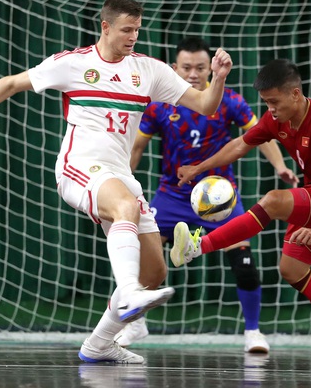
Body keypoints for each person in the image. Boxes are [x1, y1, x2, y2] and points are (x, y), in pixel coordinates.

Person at [0, 0, 233, 364]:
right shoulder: (72, 63)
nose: (133, 36)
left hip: (120, 174)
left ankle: (99, 344)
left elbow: (205, 105)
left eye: (138, 29)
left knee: (153, 273)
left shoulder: (150, 70)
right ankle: (127, 293)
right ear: (105, 27)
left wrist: (218, 78)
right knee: (125, 222)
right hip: (80, 166)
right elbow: (11, 83)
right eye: (126, 29)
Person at [170, 59, 311, 369]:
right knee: (291, 270)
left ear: (295, 94)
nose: (270, 109)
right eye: (266, 102)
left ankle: (198, 247)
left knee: (273, 200)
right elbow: (240, 144)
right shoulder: (275, 120)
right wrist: (198, 168)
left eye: (274, 101)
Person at [114, 37, 298, 353]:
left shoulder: (229, 101)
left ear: (210, 69)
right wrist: (122, 182)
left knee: (243, 261)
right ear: (174, 69)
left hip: (220, 197)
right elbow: (138, 146)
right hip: (172, 195)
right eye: (186, 67)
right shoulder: (160, 105)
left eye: (201, 67)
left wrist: (280, 166)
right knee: (140, 254)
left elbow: (261, 136)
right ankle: (136, 323)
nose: (193, 74)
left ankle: (253, 332)